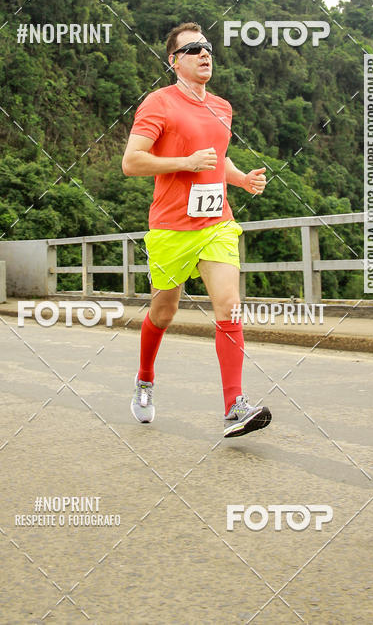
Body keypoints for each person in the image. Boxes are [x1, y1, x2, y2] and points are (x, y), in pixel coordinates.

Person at [122, 23, 271, 438]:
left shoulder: (221, 107)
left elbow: (217, 158)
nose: (205, 54)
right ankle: (145, 379)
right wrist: (184, 163)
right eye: (193, 49)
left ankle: (234, 406)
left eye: (208, 48)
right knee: (163, 312)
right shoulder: (158, 104)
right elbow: (132, 162)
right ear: (174, 62)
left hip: (216, 224)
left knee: (229, 305)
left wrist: (240, 178)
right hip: (171, 226)